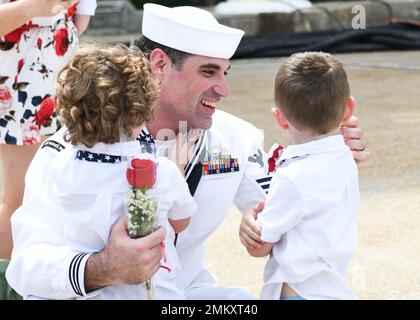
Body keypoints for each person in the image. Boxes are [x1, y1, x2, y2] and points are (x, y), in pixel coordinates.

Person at [10, 3, 369, 300]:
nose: (224, 89)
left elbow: (290, 211)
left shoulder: (235, 141)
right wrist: (102, 267)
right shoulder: (72, 146)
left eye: (226, 72)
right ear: (160, 64)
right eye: (209, 71)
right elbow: (25, 267)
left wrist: (325, 155)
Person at [6, 43, 198, 299]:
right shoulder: (54, 154)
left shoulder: (62, 166)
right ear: (141, 109)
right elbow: (25, 267)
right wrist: (102, 267)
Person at [242, 52, 359, 300]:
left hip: (298, 292)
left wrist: (249, 220)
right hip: (335, 288)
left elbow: (261, 245)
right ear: (349, 109)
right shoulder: (346, 157)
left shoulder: (292, 177)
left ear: (280, 118)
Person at [0, 0, 97, 284]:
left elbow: (82, 14)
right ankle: (10, 285)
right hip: (23, 69)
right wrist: (35, 8)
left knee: (50, 191)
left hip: (53, 67)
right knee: (19, 198)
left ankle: (34, 280)